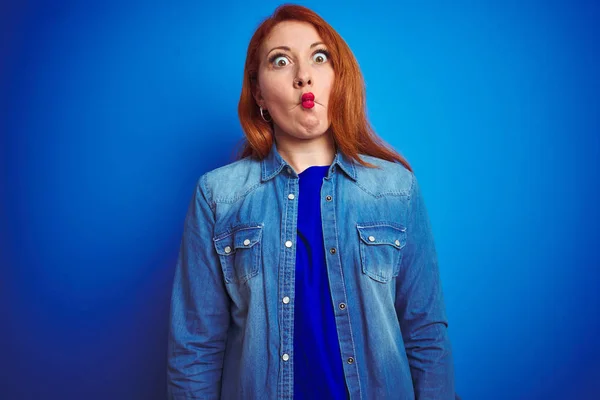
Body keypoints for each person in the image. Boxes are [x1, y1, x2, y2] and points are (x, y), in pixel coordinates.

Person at [167, 4, 456, 399]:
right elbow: (195, 349)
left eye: (319, 57)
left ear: (337, 78)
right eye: (281, 61)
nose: (303, 76)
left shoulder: (395, 189)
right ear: (259, 94)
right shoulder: (219, 197)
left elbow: (425, 333)